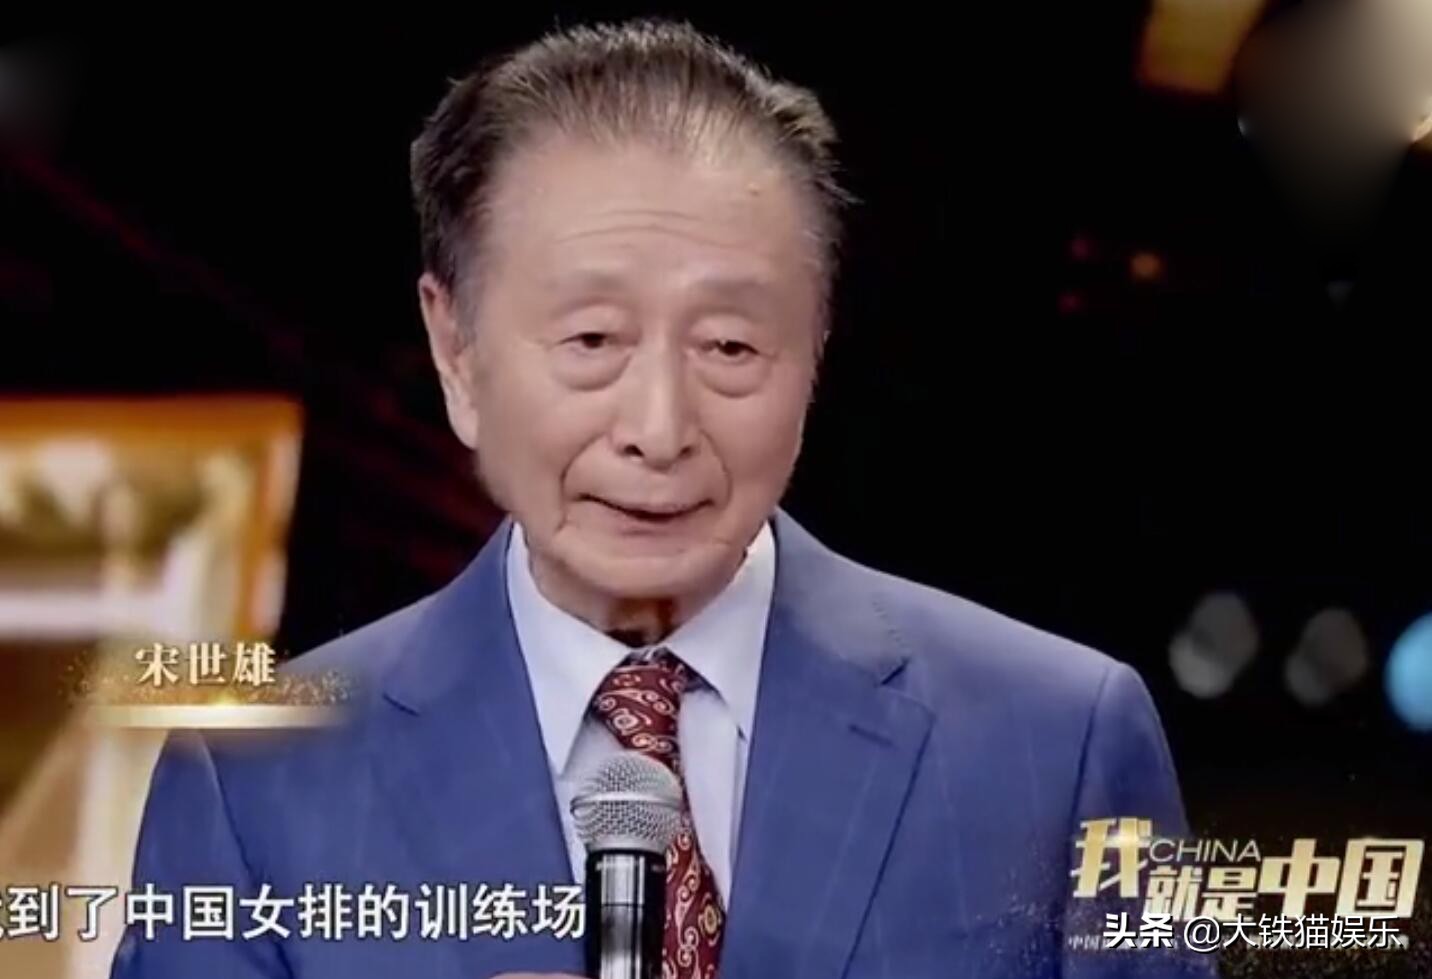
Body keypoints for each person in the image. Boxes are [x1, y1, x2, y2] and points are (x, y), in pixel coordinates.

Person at [112, 19, 1214, 979]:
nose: (658, 426)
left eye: (729, 345)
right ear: (456, 350)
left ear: (815, 347)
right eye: (592, 339)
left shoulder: (1057, 742)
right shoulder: (257, 785)